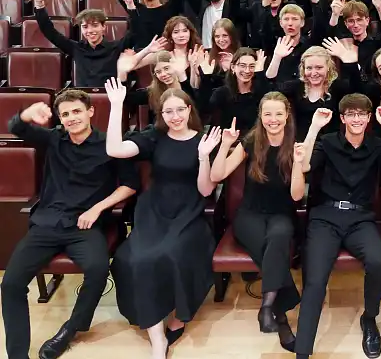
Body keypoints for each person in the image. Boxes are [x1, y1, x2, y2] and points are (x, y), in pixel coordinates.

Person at [2, 91, 139, 359]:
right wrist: (28, 114)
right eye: (65, 114)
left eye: (76, 111)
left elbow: (130, 185)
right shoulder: (54, 139)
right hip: (48, 222)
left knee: (99, 270)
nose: (71, 118)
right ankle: (17, 355)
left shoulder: (110, 145)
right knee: (10, 284)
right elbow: (15, 127)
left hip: (85, 225)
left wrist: (98, 208)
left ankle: (71, 328)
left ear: (90, 112)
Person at [104, 79, 217, 359]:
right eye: (168, 112)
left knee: (171, 254)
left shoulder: (204, 140)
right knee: (133, 258)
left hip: (188, 211)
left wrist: (204, 157)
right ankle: (157, 339)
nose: (175, 117)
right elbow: (114, 150)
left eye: (180, 110)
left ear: (190, 110)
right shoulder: (154, 137)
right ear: (161, 115)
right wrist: (117, 105)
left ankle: (179, 313)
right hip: (154, 210)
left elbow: (205, 189)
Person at [294, 96, 381, 359]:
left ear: (368, 118)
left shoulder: (376, 144)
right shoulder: (328, 142)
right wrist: (313, 128)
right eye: (351, 114)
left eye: (362, 114)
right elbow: (305, 165)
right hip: (326, 217)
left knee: (378, 263)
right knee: (316, 279)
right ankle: (302, 352)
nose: (357, 119)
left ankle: (369, 318)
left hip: (361, 219)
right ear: (342, 118)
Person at [210, 92, 305, 351]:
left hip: (282, 214)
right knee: (271, 250)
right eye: (267, 114)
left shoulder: (297, 145)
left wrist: (298, 164)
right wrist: (224, 145)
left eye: (278, 114)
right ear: (260, 117)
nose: (272, 119)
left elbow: (297, 196)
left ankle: (267, 308)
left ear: (287, 116)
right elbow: (217, 174)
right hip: (249, 215)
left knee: (278, 237)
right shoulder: (250, 142)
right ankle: (279, 316)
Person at [28, 0, 138, 87]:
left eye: (95, 26)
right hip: (82, 100)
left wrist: (130, 5)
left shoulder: (116, 47)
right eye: (85, 27)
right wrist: (39, 5)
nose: (90, 31)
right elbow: (50, 32)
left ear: (103, 27)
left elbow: (135, 32)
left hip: (110, 98)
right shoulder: (76, 48)